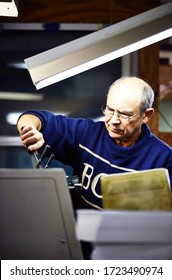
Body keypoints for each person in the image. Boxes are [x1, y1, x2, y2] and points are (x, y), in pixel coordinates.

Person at [17, 76, 172, 210]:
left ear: (146, 115)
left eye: (124, 114)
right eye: (110, 110)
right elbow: (34, 116)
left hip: (130, 242)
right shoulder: (86, 133)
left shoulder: (164, 158)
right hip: (80, 239)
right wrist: (30, 130)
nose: (113, 121)